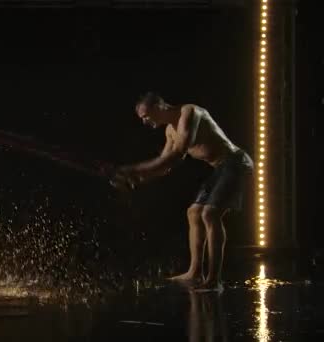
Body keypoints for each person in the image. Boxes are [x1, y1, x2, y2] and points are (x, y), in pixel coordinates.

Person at [108, 92, 253, 291]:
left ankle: (214, 279)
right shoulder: (170, 131)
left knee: (210, 214)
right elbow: (166, 165)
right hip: (219, 168)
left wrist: (132, 169)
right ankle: (195, 273)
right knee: (194, 213)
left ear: (160, 107)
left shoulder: (189, 112)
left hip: (236, 162)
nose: (145, 122)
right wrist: (137, 179)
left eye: (146, 116)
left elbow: (178, 154)